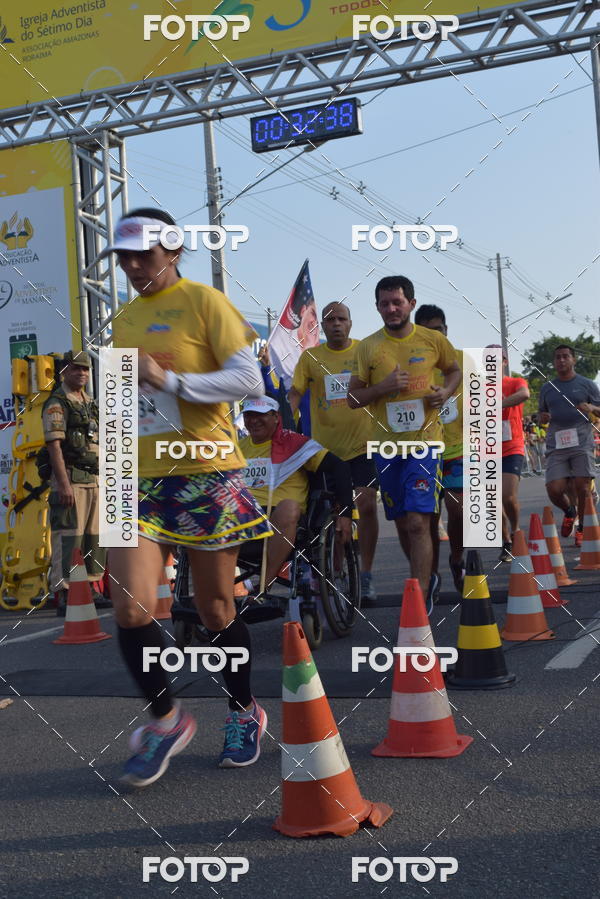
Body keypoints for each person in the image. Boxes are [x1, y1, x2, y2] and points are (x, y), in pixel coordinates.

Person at [104, 206, 271, 784]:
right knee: (128, 604)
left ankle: (244, 711)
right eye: (123, 257)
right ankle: (167, 719)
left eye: (142, 255)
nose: (131, 267)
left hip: (205, 471)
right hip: (141, 478)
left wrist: (169, 380)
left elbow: (249, 380)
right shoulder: (123, 319)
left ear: (172, 251)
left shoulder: (205, 303)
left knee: (213, 609)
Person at [347, 276, 460, 600]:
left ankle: (419, 597)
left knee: (417, 522)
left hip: (425, 443)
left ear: (410, 303)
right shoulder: (368, 346)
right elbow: (354, 398)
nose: (391, 308)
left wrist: (445, 391)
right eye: (385, 303)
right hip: (385, 447)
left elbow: (454, 371)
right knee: (400, 520)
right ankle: (424, 575)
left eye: (397, 302)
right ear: (377, 307)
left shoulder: (432, 340)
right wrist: (382, 388)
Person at [288, 301, 380, 603]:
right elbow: (296, 392)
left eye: (341, 318)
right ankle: (336, 572)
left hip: (363, 445)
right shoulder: (311, 357)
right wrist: (288, 417)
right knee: (333, 516)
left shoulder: (364, 352)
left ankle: (366, 574)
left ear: (351, 323)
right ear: (322, 326)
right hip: (327, 451)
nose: (336, 323)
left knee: (365, 505)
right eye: (329, 320)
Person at [238, 395, 353, 593]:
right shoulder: (238, 448)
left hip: (282, 518)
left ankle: (262, 588)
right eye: (249, 415)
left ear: (276, 417)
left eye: (260, 415)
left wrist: (345, 514)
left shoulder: (295, 443)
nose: (253, 420)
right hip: (242, 518)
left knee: (289, 507)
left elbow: (339, 468)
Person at [40, 350, 108, 616]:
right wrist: (64, 484)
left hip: (93, 478)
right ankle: (66, 592)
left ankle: (89, 587)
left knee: (94, 537)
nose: (81, 373)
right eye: (75, 369)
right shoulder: (58, 402)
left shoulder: (89, 402)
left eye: (85, 369)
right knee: (69, 537)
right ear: (64, 372)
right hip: (70, 479)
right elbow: (54, 446)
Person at [415, 304, 465, 596]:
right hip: (423, 451)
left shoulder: (462, 361)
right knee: (428, 518)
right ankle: (430, 573)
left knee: (457, 510)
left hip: (458, 449)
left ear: (447, 331)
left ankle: (456, 559)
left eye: (440, 330)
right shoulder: (412, 363)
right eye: (428, 331)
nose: (436, 336)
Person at [539, 344, 600, 547]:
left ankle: (582, 528)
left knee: (583, 486)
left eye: (566, 356)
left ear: (573, 360)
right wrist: (543, 417)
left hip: (581, 442)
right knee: (554, 489)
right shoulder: (547, 388)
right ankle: (569, 512)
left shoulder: (587, 384)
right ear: (554, 362)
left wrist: (591, 407)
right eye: (558, 357)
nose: (562, 360)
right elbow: (541, 416)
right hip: (557, 444)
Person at [490, 346, 530, 562]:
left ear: (504, 361)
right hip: (487, 449)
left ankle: (515, 531)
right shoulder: (477, 388)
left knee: (507, 495)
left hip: (512, 446)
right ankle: (506, 542)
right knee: (492, 499)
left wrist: (498, 403)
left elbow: (525, 394)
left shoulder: (514, 382)